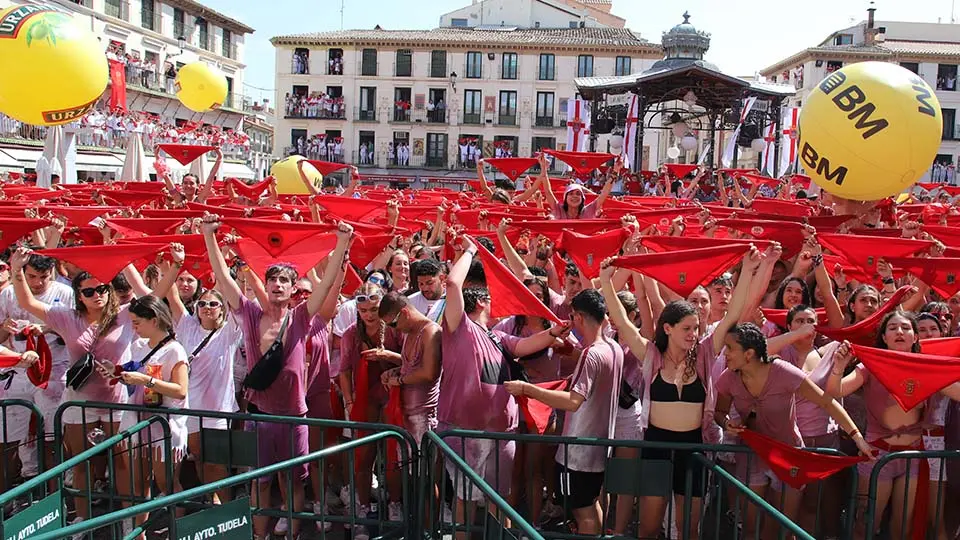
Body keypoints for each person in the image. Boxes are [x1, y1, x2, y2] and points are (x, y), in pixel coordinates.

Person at [202, 214, 353, 540]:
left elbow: (326, 286)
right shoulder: (250, 313)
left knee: (291, 482)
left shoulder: (302, 317)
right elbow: (221, 277)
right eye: (273, 280)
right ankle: (259, 536)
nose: (278, 285)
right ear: (265, 285)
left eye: (285, 281)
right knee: (260, 480)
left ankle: (295, 535)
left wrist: (341, 245)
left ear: (292, 287)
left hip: (293, 417)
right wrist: (209, 237)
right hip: (258, 416)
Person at [598, 246, 763, 540]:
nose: (693, 334)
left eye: (697, 328)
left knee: (689, 529)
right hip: (656, 447)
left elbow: (732, 315)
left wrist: (748, 271)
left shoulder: (705, 353)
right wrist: (607, 281)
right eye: (687, 328)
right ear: (668, 328)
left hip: (693, 449)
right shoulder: (651, 354)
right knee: (649, 529)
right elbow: (622, 322)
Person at [439, 235, 570, 538]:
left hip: (500, 433)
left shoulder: (497, 336)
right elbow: (453, 285)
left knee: (500, 501)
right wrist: (471, 250)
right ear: (483, 301)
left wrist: (553, 332)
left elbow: (525, 345)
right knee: (465, 502)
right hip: (465, 433)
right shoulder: (459, 327)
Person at [9, 248, 135, 529]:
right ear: (78, 296)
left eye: (102, 289)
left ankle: (130, 520)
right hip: (78, 401)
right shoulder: (67, 318)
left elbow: (155, 293)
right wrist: (16, 270)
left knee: (123, 463)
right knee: (81, 464)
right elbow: (27, 302)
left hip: (116, 401)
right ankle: (82, 518)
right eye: (88, 292)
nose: (96, 295)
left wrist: (126, 258)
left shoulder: (124, 315)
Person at [713, 322, 871, 539]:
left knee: (783, 528)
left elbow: (827, 402)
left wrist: (858, 438)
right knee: (751, 527)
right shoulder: (728, 378)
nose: (725, 354)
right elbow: (719, 412)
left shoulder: (783, 371)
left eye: (730, 348)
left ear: (748, 354)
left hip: (788, 456)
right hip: (753, 455)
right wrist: (726, 423)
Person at [505, 289, 620, 535]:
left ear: (578, 317)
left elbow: (573, 401)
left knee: (582, 511)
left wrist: (527, 389)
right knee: (590, 505)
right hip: (597, 447)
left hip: (579, 452)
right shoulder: (612, 347)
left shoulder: (593, 353)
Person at [105, 295, 188, 539]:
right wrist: (117, 372)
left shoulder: (175, 349)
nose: (134, 327)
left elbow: (181, 390)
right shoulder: (140, 345)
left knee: (167, 483)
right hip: (138, 422)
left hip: (165, 426)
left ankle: (178, 531)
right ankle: (139, 534)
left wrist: (147, 380)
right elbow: (136, 375)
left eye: (137, 322)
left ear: (154, 320)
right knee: (137, 484)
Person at [0, 251, 73, 484]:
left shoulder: (65, 292)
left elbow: (74, 334)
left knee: (53, 433)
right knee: (11, 435)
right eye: (31, 276)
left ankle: (55, 491)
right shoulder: (8, 294)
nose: (38, 283)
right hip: (18, 371)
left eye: (43, 277)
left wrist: (48, 329)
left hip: (55, 369)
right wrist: (6, 327)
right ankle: (15, 490)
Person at [377, 292, 442, 520]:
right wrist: (393, 372)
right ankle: (420, 526)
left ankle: (430, 529)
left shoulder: (430, 331)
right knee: (415, 478)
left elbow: (429, 372)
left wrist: (400, 380)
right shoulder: (410, 332)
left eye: (394, 323)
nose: (395, 329)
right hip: (407, 416)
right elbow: (409, 366)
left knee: (426, 479)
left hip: (424, 417)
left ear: (404, 312)